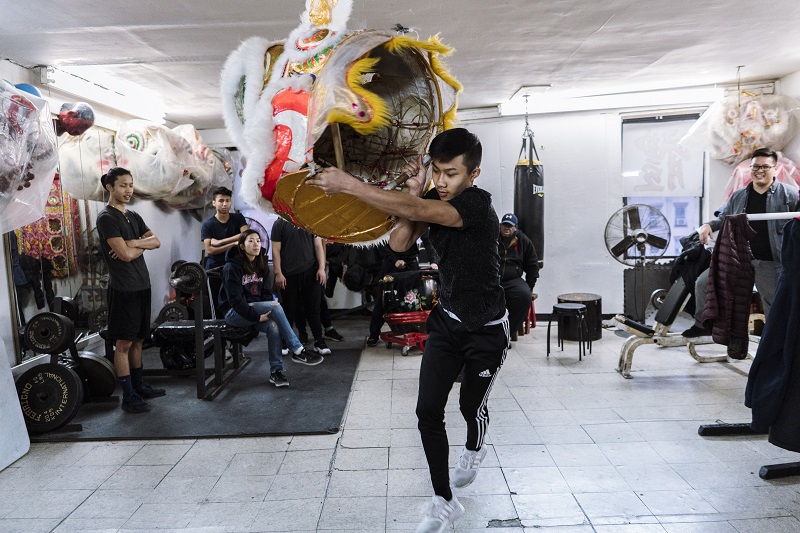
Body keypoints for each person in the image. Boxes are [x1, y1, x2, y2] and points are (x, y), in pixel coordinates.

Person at [309, 128, 509, 532]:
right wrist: (416, 193)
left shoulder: (476, 205)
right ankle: (444, 500)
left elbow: (418, 211)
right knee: (427, 412)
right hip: (448, 321)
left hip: (486, 327)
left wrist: (350, 185)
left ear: (473, 174)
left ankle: (474, 448)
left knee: (470, 407)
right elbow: (400, 243)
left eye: (451, 173)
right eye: (436, 171)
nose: (441, 181)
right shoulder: (433, 197)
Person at [682, 148, 799, 356]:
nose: (759, 170)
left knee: (775, 307)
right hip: (739, 259)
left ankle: (775, 353)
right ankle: (706, 326)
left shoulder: (789, 194)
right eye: (755, 166)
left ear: (775, 169)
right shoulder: (740, 196)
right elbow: (723, 218)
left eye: (765, 167)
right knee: (703, 284)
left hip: (769, 262)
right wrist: (707, 225)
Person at [95, 167, 165, 414]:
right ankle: (128, 395)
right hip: (124, 288)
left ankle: (139, 386)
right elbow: (124, 255)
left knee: (138, 340)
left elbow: (156, 241)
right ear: (110, 187)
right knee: (123, 344)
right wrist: (140, 246)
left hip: (142, 285)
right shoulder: (106, 218)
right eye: (123, 185)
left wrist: (134, 242)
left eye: (131, 185)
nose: (128, 190)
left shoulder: (133, 216)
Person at [219, 230, 323, 387]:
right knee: (276, 306)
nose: (256, 244)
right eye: (250, 241)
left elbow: (266, 293)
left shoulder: (261, 263)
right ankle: (297, 350)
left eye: (258, 241)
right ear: (242, 246)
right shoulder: (231, 267)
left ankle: (276, 372)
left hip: (253, 311)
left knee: (273, 327)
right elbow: (235, 301)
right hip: (234, 313)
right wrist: (257, 316)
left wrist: (264, 312)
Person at [271, 218, 332, 355]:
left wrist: (321, 268)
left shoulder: (309, 219)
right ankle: (285, 341)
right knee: (289, 309)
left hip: (310, 271)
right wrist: (278, 273)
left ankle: (319, 341)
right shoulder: (279, 223)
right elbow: (275, 250)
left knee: (314, 309)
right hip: (288, 274)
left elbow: (318, 245)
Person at [201, 187, 249, 315]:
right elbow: (210, 250)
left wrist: (220, 242)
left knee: (237, 300)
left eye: (227, 201)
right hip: (215, 269)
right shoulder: (208, 225)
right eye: (221, 201)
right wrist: (233, 243)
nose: (224, 204)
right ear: (214, 203)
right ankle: (219, 327)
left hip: (236, 268)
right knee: (217, 304)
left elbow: (246, 235)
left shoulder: (238, 218)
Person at [366, 241, 421, 347]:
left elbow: (427, 239)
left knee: (415, 298)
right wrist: (394, 260)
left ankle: (417, 329)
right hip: (391, 263)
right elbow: (381, 242)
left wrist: (433, 260)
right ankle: (374, 333)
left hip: (411, 262)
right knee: (383, 299)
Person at [498, 212, 539, 341]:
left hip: (513, 280)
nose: (507, 228)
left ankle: (506, 334)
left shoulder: (523, 241)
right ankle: (487, 333)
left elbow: (532, 265)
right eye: (504, 225)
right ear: (500, 226)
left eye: (510, 226)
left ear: (515, 227)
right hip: (493, 279)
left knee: (524, 296)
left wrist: (529, 286)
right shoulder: (492, 238)